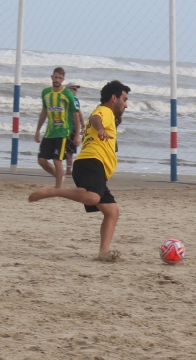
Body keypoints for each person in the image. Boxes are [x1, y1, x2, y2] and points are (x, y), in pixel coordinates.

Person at [29, 80, 130, 261]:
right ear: (114, 98)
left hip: (92, 165)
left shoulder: (109, 114)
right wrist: (101, 129)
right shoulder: (104, 111)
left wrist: (114, 123)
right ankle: (54, 191)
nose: (126, 104)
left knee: (112, 211)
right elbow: (95, 119)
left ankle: (103, 253)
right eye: (124, 99)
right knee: (93, 197)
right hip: (92, 162)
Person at [34, 67, 80, 189]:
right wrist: (37, 130)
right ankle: (59, 176)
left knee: (57, 160)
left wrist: (77, 135)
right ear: (52, 77)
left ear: (63, 79)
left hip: (63, 132)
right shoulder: (45, 93)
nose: (57, 80)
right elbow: (44, 112)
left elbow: (76, 114)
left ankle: (58, 188)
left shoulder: (67, 94)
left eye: (60, 78)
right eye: (55, 77)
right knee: (41, 160)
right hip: (50, 132)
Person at [64, 82, 84, 175]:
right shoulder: (67, 99)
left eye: (76, 89)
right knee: (67, 148)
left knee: (70, 149)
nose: (76, 91)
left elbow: (79, 112)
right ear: (68, 89)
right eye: (74, 89)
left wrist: (82, 124)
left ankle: (68, 168)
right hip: (67, 126)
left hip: (73, 126)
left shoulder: (75, 99)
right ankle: (67, 168)